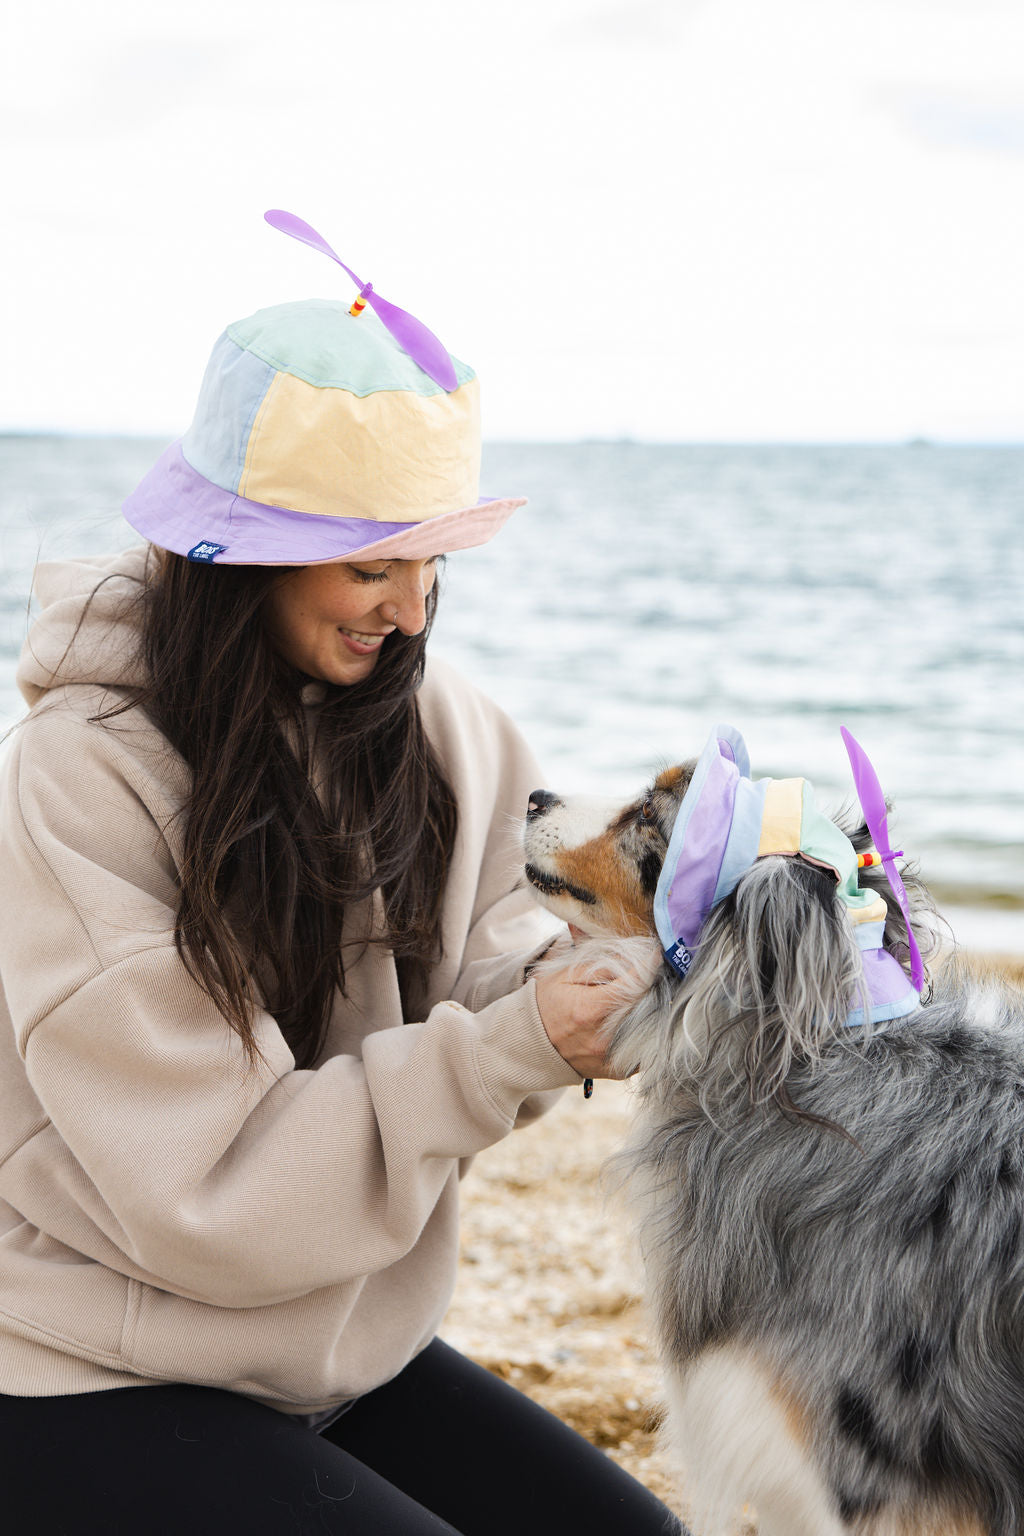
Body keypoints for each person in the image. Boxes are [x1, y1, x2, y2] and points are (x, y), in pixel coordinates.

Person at [0, 284, 684, 1533]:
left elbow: (498, 966)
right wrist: (511, 1048)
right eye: (373, 562)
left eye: (433, 558)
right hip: (87, 1357)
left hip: (341, 1348)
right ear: (236, 557)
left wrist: (635, 977)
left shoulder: (444, 724)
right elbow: (212, 1190)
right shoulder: (83, 770)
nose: (412, 610)